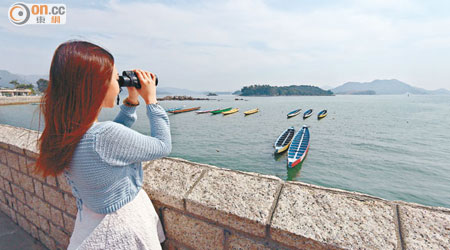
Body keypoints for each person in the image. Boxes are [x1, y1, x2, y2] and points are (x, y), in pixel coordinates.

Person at [34, 40, 171, 249]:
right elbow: (162, 145)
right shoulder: (102, 136)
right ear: (96, 85)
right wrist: (151, 101)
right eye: (115, 78)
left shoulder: (66, 131)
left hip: (92, 221)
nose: (119, 84)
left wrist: (132, 101)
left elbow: (106, 148)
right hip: (122, 227)